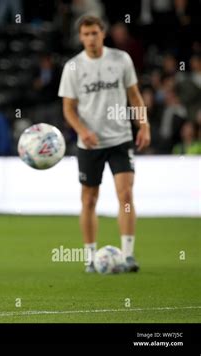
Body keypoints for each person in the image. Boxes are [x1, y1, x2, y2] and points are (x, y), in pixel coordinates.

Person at [58, 15, 151, 273]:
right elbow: (68, 109)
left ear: (103, 33)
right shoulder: (73, 67)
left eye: (94, 33)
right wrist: (82, 131)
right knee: (89, 200)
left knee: (126, 194)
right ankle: (89, 257)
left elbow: (134, 96)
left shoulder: (121, 59)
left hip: (120, 138)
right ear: (80, 37)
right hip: (89, 144)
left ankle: (129, 255)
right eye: (85, 34)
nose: (90, 38)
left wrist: (144, 125)